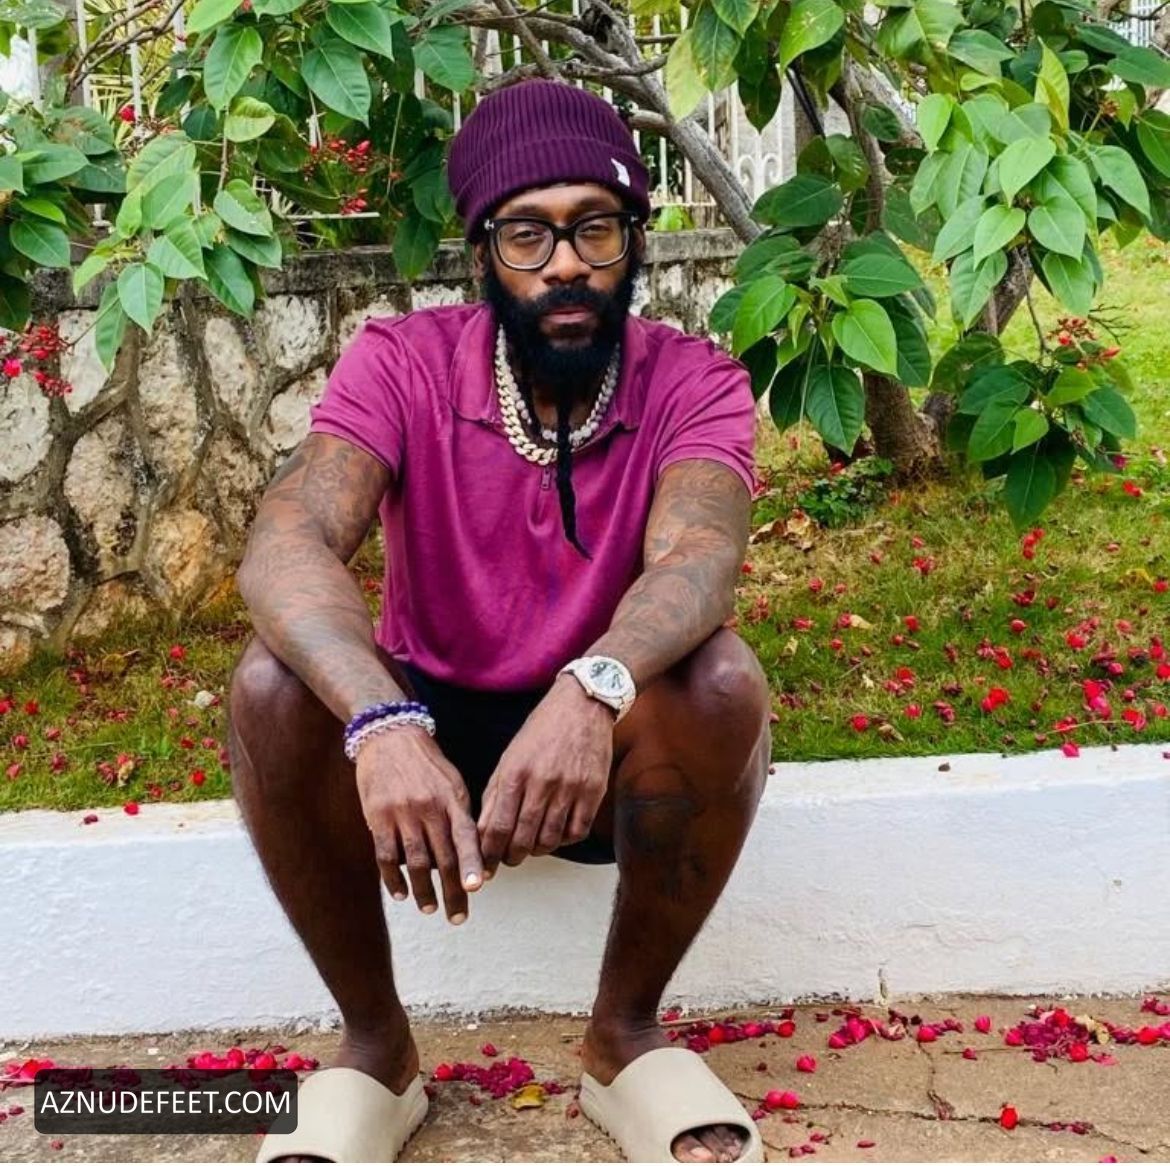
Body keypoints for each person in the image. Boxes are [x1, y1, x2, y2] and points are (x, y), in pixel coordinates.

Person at [230, 78, 772, 1164]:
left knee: (720, 683)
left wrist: (593, 689)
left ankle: (624, 1038)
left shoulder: (693, 380)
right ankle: (375, 1050)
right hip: (425, 742)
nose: (565, 263)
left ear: (635, 239)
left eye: (594, 227)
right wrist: (381, 721)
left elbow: (700, 559)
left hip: (608, 753)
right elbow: (288, 540)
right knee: (270, 686)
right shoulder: (402, 362)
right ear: (484, 252)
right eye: (528, 234)